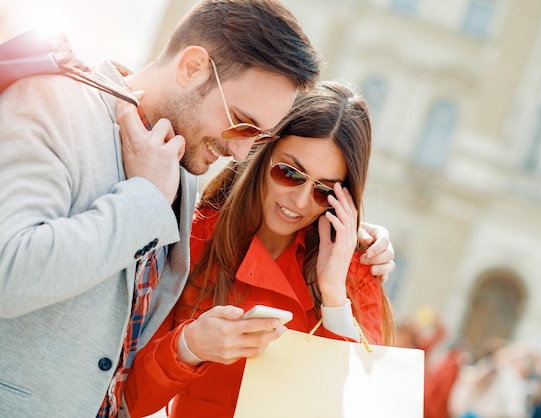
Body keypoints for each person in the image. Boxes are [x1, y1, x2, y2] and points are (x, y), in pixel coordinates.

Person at [0, 1, 395, 416]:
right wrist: (145, 200)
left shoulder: (182, 169)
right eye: (241, 122)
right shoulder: (52, 104)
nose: (240, 151)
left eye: (256, 136)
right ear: (192, 67)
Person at [123, 81, 396, 417]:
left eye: (323, 191)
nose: (299, 201)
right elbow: (127, 401)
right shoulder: (192, 237)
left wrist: (334, 296)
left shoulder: (355, 268)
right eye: (290, 173)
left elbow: (362, 404)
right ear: (261, 150)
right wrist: (190, 345)